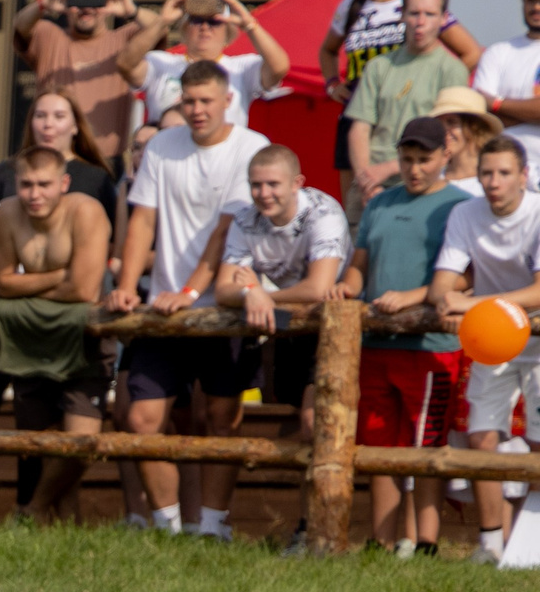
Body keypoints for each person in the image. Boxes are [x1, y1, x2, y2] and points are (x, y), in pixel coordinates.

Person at [109, 61, 270, 538]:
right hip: (164, 307)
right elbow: (142, 220)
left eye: (205, 101)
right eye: (189, 101)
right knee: (143, 419)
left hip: (225, 305)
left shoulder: (251, 147)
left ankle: (213, 527)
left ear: (228, 101)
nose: (197, 110)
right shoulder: (162, 146)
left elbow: (226, 232)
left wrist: (190, 292)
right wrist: (128, 285)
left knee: (220, 419)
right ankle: (167, 526)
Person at [343, 119, 469, 553]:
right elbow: (359, 264)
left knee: (425, 446)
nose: (414, 169)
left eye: (424, 160)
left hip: (430, 346)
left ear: (445, 155)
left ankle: (423, 542)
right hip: (376, 342)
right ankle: (381, 542)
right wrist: (346, 289)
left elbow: (467, 276)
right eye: (407, 159)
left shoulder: (460, 206)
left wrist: (413, 298)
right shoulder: (379, 204)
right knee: (378, 444)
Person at [432, 131, 540, 563]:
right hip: (492, 343)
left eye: (504, 173)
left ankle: (530, 542)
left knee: (539, 443)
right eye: (487, 173)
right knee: (481, 436)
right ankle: (491, 543)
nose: (494, 182)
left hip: (536, 341)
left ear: (524, 176)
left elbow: (539, 292)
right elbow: (444, 281)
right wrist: (449, 300)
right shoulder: (465, 213)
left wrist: (472, 304)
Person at [0, 146, 111, 518]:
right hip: (31, 336)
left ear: (64, 183)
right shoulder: (7, 212)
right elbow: (4, 282)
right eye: (26, 184)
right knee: (39, 443)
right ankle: (62, 528)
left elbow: (85, 290)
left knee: (81, 443)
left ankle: (35, 507)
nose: (34, 194)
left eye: (44, 184)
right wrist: (62, 275)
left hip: (84, 339)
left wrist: (29, 288)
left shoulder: (86, 211)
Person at [211, 145, 349, 441]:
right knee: (290, 409)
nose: (263, 194)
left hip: (332, 324)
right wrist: (250, 294)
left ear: (297, 183)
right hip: (287, 323)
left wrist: (258, 293)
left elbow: (319, 288)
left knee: (315, 423)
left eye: (273, 184)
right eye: (256, 185)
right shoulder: (245, 220)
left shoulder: (323, 213)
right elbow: (223, 290)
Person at [322, 0, 481, 209]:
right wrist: (332, 83)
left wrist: (440, 88)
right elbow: (327, 49)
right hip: (362, 108)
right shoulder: (352, 4)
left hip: (413, 120)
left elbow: (471, 51)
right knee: (354, 205)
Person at [347, 0, 471, 209]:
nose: (420, 22)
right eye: (414, 13)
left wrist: (391, 167)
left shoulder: (453, 70)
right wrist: (367, 182)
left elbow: (450, 138)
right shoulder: (379, 66)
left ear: (444, 18)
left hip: (425, 185)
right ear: (402, 15)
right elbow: (359, 129)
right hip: (372, 186)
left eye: (430, 14)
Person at [10, 0, 141, 167]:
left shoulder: (124, 39)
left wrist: (131, 10)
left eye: (95, 0)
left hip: (107, 163)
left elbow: (159, 27)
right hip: (54, 160)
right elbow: (19, 26)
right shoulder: (49, 36)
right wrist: (44, 5)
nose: (86, 8)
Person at [123, 0, 288, 132]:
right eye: (196, 20)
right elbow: (126, 64)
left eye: (214, 22)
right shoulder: (162, 62)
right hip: (165, 154)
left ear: (228, 32)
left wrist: (250, 25)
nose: (204, 27)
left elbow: (279, 68)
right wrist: (162, 21)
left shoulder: (241, 68)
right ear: (185, 29)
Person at [0, 90, 118, 228]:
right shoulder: (5, 171)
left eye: (59, 116)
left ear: (75, 126)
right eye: (40, 116)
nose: (48, 124)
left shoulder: (96, 178)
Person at [473, 0, 540, 177]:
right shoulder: (498, 52)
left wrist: (497, 104)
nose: (536, 6)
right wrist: (531, 113)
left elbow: (490, 108)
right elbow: (480, 117)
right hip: (502, 173)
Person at [433, 84, 501, 186]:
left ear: (475, 127)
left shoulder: (494, 182)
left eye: (452, 122)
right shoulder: (430, 180)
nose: (443, 130)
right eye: (438, 124)